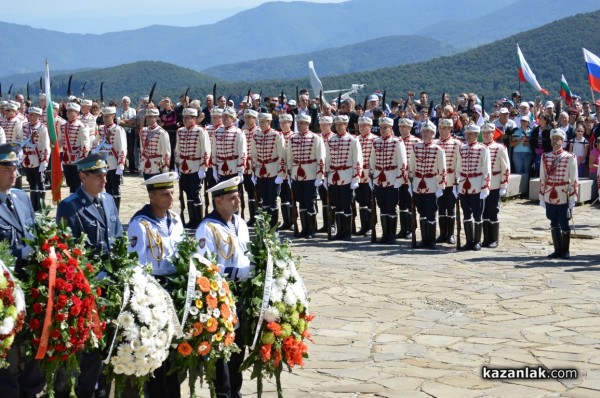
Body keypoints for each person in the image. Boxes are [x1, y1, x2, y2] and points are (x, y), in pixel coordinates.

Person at [55, 152, 123, 398]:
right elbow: (68, 251)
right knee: (86, 347)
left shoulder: (108, 201)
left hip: (112, 286)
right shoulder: (70, 205)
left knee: (108, 344)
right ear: (82, 176)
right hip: (87, 287)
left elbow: (117, 240)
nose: (104, 180)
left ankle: (101, 388)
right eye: (97, 176)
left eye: (105, 175)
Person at [195, 176, 253, 398]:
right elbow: (205, 266)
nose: (237, 201)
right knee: (221, 350)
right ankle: (223, 393)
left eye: (238, 197)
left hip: (241, 292)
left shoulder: (240, 223)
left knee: (238, 347)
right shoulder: (207, 229)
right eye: (232, 198)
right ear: (218, 201)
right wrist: (236, 273)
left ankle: (235, 391)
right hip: (219, 296)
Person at [127, 172, 184, 398]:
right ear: (151, 196)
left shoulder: (176, 220)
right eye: (164, 194)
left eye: (172, 193)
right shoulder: (139, 224)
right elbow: (135, 265)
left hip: (176, 289)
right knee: (157, 352)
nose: (170, 198)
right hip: (153, 291)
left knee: (175, 352)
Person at [0, 143, 45, 398]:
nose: (13, 173)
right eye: (7, 168)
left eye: (15, 168)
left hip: (31, 287)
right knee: (7, 352)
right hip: (4, 294)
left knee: (32, 349)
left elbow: (33, 235)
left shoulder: (21, 197)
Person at [539, 129, 578, 259]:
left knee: (564, 222)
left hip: (563, 194)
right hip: (549, 193)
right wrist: (541, 196)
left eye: (558, 138)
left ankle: (565, 251)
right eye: (553, 138)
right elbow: (542, 178)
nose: (555, 141)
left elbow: (574, 179)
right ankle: (557, 250)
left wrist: (573, 198)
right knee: (553, 221)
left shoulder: (570, 157)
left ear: (562, 141)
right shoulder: (545, 156)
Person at [286, 114, 326, 238]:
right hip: (297, 175)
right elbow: (290, 157)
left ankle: (311, 229)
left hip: (310, 174)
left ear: (308, 124)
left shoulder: (315, 138)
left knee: (310, 202)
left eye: (302, 123)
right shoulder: (292, 138)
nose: (299, 125)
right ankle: (304, 228)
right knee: (301, 202)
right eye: (298, 123)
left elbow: (321, 158)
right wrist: (290, 173)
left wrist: (320, 175)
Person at [369, 117, 406, 244]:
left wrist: (399, 179)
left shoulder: (397, 142)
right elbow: (372, 161)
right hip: (379, 178)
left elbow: (402, 162)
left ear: (391, 129)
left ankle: (391, 235)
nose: (383, 130)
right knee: (382, 206)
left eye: (385, 127)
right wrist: (372, 177)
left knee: (391, 207)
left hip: (392, 178)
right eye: (381, 127)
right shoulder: (376, 142)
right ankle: (385, 234)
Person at [409, 120, 446, 249]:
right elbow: (411, 167)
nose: (425, 134)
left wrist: (441, 187)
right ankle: (424, 239)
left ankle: (431, 240)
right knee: (421, 212)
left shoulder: (438, 149)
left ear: (433, 133)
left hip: (431, 184)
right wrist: (411, 184)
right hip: (418, 184)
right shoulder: (416, 147)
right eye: (423, 131)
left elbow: (442, 170)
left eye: (428, 132)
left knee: (431, 213)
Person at [325, 115, 362, 240]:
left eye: (341, 124)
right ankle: (339, 232)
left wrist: (356, 178)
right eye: (337, 124)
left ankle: (347, 232)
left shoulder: (353, 140)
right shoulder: (331, 140)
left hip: (347, 176)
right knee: (336, 205)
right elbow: (328, 160)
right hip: (333, 177)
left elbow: (357, 160)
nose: (339, 127)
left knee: (347, 204)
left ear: (346, 125)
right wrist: (326, 176)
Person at [456, 124, 491, 251]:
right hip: (464, 185)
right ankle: (469, 240)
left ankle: (477, 241)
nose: (468, 136)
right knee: (466, 214)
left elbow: (487, 170)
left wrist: (485, 188)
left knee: (477, 214)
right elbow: (458, 167)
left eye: (471, 134)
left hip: (476, 184)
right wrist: (457, 185)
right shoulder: (462, 148)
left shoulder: (483, 149)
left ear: (477, 135)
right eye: (467, 133)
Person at [175, 107, 211, 228]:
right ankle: (192, 220)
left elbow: (206, 150)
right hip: (184, 167)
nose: (184, 120)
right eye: (183, 117)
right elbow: (177, 150)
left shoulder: (201, 131)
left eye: (187, 118)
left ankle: (199, 221)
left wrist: (203, 167)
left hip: (196, 166)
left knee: (195, 193)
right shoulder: (180, 131)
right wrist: (177, 166)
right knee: (187, 193)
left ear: (194, 118)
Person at [251, 112, 286, 227]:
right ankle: (265, 225)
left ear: (269, 122)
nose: (260, 124)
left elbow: (282, 155)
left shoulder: (276, 135)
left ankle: (274, 225)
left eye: (263, 122)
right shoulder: (256, 135)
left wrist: (281, 173)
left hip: (273, 169)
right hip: (261, 171)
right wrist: (254, 172)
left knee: (273, 199)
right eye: (259, 122)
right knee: (263, 199)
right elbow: (254, 155)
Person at [481, 123, 510, 248]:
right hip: (481, 184)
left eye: (489, 133)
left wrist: (504, 185)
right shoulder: (479, 147)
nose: (486, 135)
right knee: (483, 212)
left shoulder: (500, 148)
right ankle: (486, 238)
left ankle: (494, 239)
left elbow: (506, 167)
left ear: (493, 134)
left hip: (494, 183)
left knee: (493, 210)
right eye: (484, 133)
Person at [94, 106, 127, 210]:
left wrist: (121, 164)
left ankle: (115, 211)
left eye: (107, 116)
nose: (105, 118)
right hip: (103, 163)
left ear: (113, 116)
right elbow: (96, 145)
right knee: (106, 188)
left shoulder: (118, 130)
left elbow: (122, 147)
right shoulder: (100, 129)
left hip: (114, 162)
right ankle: (108, 210)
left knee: (115, 187)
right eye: (104, 116)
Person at [434, 118, 461, 244]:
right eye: (441, 128)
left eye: (446, 128)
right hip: (437, 181)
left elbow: (459, 163)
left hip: (451, 180)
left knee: (450, 208)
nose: (443, 131)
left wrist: (458, 181)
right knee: (440, 207)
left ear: (450, 129)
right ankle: (442, 234)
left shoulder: (456, 144)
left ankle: (451, 234)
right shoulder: (435, 143)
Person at [21, 106, 50, 211]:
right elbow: (21, 141)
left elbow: (46, 146)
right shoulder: (24, 126)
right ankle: (34, 207)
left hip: (37, 159)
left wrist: (45, 160)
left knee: (40, 184)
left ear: (38, 116)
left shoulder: (42, 128)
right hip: (27, 159)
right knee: (32, 184)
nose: (31, 116)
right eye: (30, 114)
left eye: (33, 114)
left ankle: (41, 208)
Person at [398, 118, 421, 239]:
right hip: (399, 177)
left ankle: (412, 228)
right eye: (400, 127)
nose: (402, 129)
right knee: (402, 204)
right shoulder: (397, 141)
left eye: (404, 127)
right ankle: (403, 228)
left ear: (410, 128)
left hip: (411, 177)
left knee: (411, 204)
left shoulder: (416, 141)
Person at [61, 102, 91, 193]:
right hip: (66, 158)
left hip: (77, 159)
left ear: (77, 113)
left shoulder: (81, 126)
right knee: (70, 182)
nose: (68, 113)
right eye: (67, 111)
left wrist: (82, 159)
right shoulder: (63, 126)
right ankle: (72, 201)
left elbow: (85, 144)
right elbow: (61, 141)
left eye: (71, 111)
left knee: (77, 182)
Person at [212, 108, 246, 184]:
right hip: (221, 169)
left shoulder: (238, 132)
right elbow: (214, 152)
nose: (224, 119)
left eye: (226, 117)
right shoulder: (217, 132)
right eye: (223, 116)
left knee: (234, 195)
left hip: (234, 168)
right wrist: (214, 169)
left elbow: (242, 153)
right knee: (222, 194)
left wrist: (240, 171)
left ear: (232, 118)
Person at [355, 116, 377, 236]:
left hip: (369, 174)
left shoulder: (375, 140)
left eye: (364, 125)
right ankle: (364, 226)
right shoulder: (356, 139)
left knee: (370, 201)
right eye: (360, 125)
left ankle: (371, 226)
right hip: (359, 174)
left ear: (370, 126)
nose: (362, 128)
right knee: (361, 200)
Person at [140, 107, 170, 179]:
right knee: (149, 189)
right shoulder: (143, 131)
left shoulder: (162, 132)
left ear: (156, 117)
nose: (148, 119)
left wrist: (165, 169)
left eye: (150, 117)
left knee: (157, 190)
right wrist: (141, 165)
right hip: (145, 165)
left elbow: (166, 152)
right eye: (147, 117)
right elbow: (142, 149)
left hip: (156, 166)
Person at [277, 113, 295, 230]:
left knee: (292, 197)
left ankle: (293, 221)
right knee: (283, 196)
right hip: (279, 170)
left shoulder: (294, 136)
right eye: (281, 122)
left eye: (285, 122)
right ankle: (286, 221)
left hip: (291, 170)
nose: (283, 125)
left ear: (290, 123)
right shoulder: (277, 136)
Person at [241, 109, 260, 225]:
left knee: (258, 192)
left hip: (256, 166)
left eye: (250, 117)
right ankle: (252, 217)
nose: (248, 119)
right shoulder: (242, 131)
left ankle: (259, 217)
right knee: (249, 192)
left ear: (255, 119)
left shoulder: (258, 131)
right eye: (246, 117)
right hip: (246, 166)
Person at [116, 96, 138, 174]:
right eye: (124, 102)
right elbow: (118, 121)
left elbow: (134, 121)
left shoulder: (133, 110)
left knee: (131, 150)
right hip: (121, 133)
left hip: (130, 132)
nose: (125, 103)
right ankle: (123, 167)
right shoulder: (118, 110)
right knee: (122, 149)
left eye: (127, 102)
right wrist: (129, 121)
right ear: (122, 102)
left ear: (129, 103)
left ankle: (132, 168)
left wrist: (124, 121)